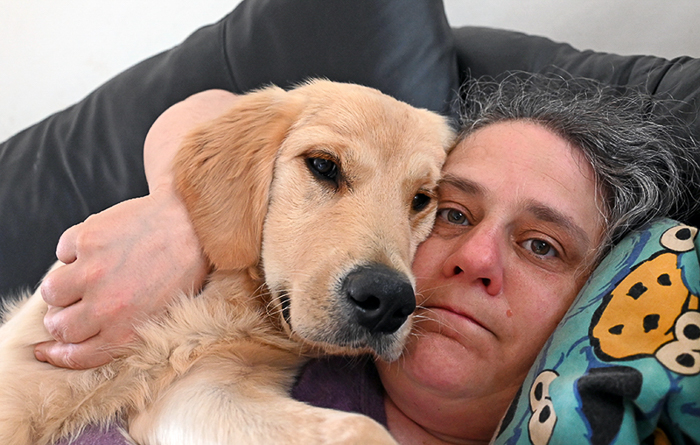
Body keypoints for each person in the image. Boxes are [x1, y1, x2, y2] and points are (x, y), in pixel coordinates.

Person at [43, 75, 696, 444]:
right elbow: (208, 109)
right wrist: (181, 219)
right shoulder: (279, 323)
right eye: (451, 212)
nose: (474, 257)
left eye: (541, 245)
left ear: (597, 295)